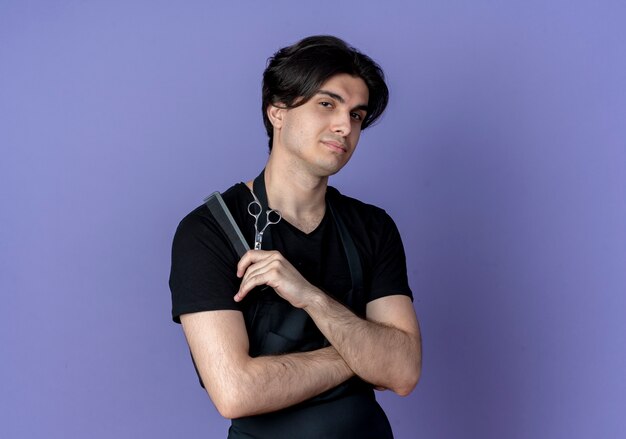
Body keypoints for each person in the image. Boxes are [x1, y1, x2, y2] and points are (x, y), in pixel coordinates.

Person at [169, 35, 422, 438]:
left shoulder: (373, 227)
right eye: (327, 104)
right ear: (278, 111)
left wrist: (311, 297)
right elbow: (235, 391)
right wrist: (363, 354)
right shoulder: (209, 230)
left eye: (357, 115)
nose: (345, 126)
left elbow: (404, 373)